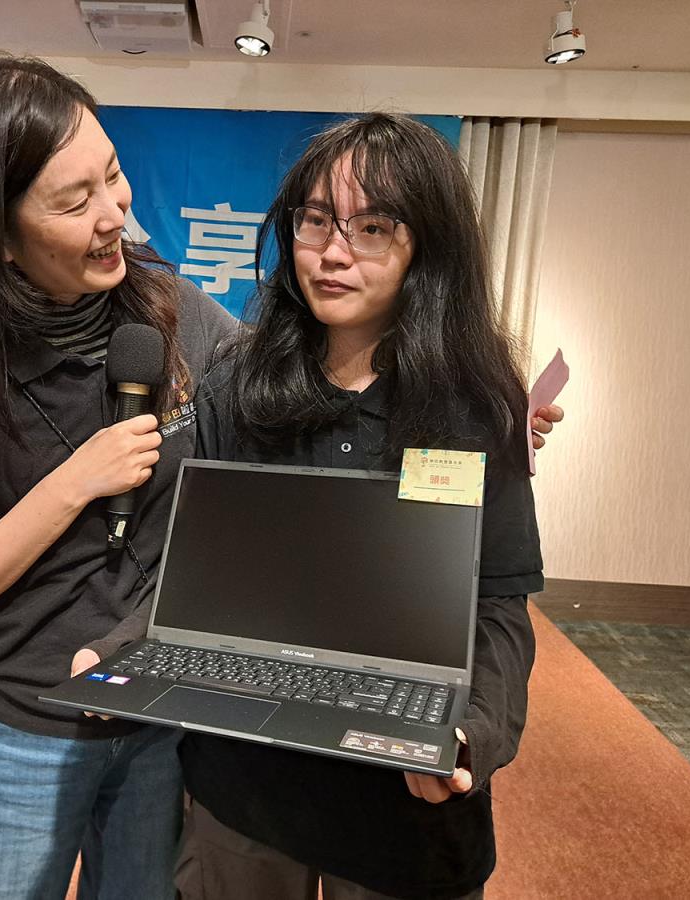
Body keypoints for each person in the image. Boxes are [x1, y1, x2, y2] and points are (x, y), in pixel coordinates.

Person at [0, 53, 237, 899]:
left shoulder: (168, 308)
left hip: (154, 710)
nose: (115, 214)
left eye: (112, 176)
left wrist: (460, 396)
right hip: (20, 731)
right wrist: (73, 482)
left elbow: (289, 378)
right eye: (75, 203)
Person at [175, 113, 545, 900]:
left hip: (404, 795)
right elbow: (184, 568)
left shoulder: (479, 407)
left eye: (372, 227)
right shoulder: (235, 386)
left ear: (428, 248)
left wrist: (471, 734)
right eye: (315, 220)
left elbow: (499, 602)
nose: (333, 252)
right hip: (249, 784)